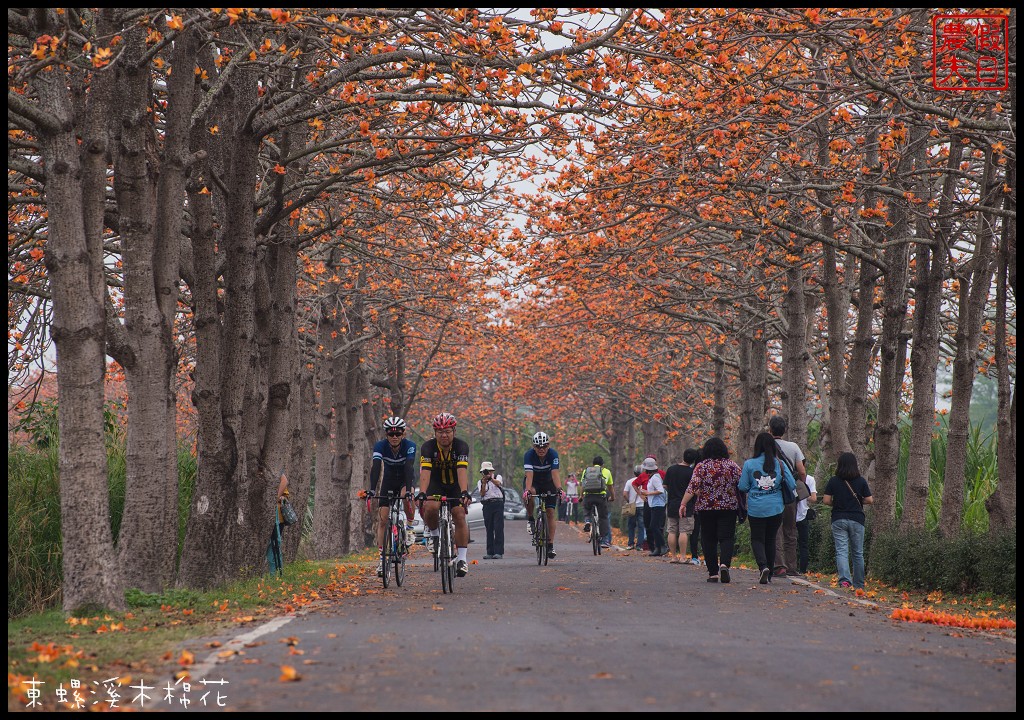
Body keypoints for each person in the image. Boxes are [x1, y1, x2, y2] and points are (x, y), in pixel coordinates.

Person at [417, 412, 472, 578]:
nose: (444, 435)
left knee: (459, 514)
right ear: (435, 433)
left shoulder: (461, 446)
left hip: (456, 485)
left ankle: (462, 559)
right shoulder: (428, 447)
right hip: (436, 484)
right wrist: (422, 493)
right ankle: (434, 536)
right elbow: (425, 472)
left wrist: (464, 492)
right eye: (440, 432)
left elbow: (462, 471)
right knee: (431, 507)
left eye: (447, 431)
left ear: (454, 431)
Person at [738, 432, 797, 584]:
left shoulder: (749, 464)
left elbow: (742, 486)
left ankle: (763, 566)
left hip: (756, 509)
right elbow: (792, 485)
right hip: (776, 508)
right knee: (771, 539)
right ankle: (770, 572)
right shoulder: (780, 464)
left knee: (757, 539)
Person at [680, 437, 741, 583]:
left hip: (706, 508)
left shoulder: (701, 466)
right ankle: (725, 564)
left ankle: (713, 573)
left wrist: (683, 504)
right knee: (726, 537)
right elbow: (743, 483)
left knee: (708, 539)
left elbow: (692, 487)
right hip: (728, 507)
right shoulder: (732, 466)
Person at [370, 416, 418, 577]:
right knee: (383, 519)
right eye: (391, 434)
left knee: (406, 497)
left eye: (398, 433)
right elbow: (376, 467)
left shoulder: (410, 446)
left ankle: (409, 528)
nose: (395, 436)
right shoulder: (380, 446)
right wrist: (371, 489)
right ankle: (382, 559)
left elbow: (409, 467)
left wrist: (410, 490)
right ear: (386, 435)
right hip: (389, 481)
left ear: (403, 434)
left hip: (405, 479)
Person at [822, 452, 873, 589]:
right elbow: (869, 500)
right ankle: (859, 583)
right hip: (857, 519)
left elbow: (826, 500)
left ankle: (844, 580)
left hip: (838, 519)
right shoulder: (861, 481)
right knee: (858, 552)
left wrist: (838, 502)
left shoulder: (834, 480)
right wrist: (856, 502)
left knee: (842, 551)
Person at [768, 415, 807, 579]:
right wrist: (798, 484)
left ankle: (779, 566)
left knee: (776, 530)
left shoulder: (766, 447)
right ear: (785, 430)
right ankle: (792, 566)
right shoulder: (794, 447)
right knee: (790, 530)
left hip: (772, 493)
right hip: (790, 494)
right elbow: (802, 471)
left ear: (770, 430)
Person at [523, 431, 562, 558]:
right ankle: (530, 518)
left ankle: (550, 545)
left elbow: (555, 473)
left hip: (548, 482)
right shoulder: (529, 455)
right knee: (531, 493)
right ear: (534, 447)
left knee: (550, 512)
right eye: (538, 447)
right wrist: (527, 491)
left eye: (544, 446)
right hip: (533, 481)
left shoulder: (553, 454)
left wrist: (559, 489)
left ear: (548, 445)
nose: (541, 449)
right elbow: (529, 475)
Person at [665, 448, 700, 564]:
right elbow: (695, 490)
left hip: (672, 504)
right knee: (684, 531)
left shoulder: (671, 469)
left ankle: (673, 556)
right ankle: (683, 557)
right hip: (686, 505)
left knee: (672, 530)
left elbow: (665, 485)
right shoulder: (692, 472)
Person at [580, 456, 615, 550]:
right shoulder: (606, 471)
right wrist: (612, 497)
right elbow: (610, 486)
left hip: (588, 496)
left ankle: (587, 521)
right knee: (603, 517)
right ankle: (604, 541)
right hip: (601, 497)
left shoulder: (586, 471)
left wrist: (581, 496)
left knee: (586, 509)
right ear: (602, 464)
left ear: (593, 464)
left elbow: (583, 485)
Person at [636, 456, 667, 556]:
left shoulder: (655, 478)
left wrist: (647, 493)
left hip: (658, 505)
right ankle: (658, 548)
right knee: (653, 526)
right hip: (653, 504)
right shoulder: (653, 477)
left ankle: (663, 545)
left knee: (654, 526)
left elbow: (660, 490)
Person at [477, 461, 505, 559]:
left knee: (498, 528)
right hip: (487, 504)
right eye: (486, 472)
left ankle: (499, 552)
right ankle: (490, 551)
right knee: (489, 528)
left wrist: (491, 479)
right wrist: (484, 482)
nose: (488, 473)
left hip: (498, 503)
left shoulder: (497, 477)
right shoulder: (480, 482)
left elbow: (499, 483)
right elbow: (482, 493)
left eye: (489, 471)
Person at [795, 473, 818, 575]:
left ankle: (800, 569)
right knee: (802, 543)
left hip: (801, 514)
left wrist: (801, 494)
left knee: (799, 543)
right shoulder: (809, 479)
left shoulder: (809, 479)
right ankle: (799, 570)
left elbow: (813, 498)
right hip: (799, 515)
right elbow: (813, 498)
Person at [623, 465, 646, 550]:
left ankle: (630, 544)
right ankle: (639, 545)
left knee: (631, 526)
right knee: (641, 526)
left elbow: (624, 494)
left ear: (634, 473)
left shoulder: (629, 482)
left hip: (632, 506)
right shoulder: (645, 481)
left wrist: (629, 501)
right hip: (642, 506)